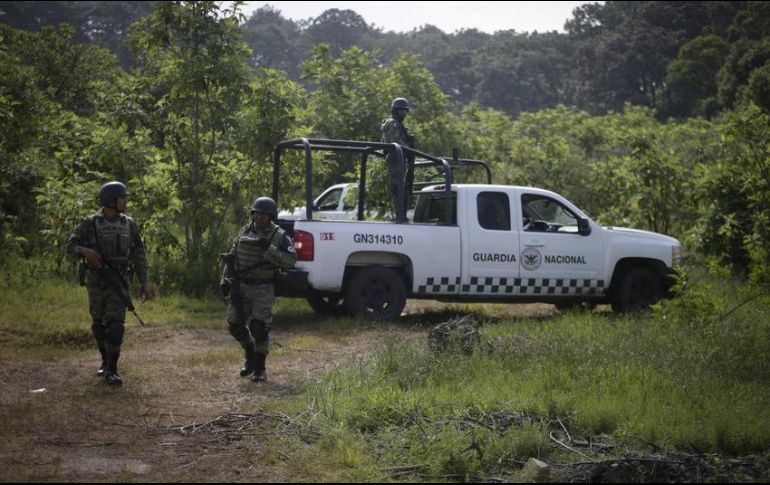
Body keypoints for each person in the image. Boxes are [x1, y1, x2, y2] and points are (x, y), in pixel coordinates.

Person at [66, 181, 150, 387]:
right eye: (123, 198)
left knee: (116, 326)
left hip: (119, 281)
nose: (126, 201)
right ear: (111, 201)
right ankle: (104, 360)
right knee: (98, 324)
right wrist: (85, 251)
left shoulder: (129, 224)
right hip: (96, 281)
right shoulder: (91, 223)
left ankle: (112, 369)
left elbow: (139, 253)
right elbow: (71, 245)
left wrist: (144, 280)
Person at [221, 196, 296, 382]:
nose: (260, 217)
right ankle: (250, 357)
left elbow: (291, 261)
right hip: (242, 286)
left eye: (264, 215)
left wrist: (269, 250)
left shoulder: (279, 235)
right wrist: (225, 279)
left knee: (259, 327)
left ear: (270, 216)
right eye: (257, 214)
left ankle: (261, 368)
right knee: (235, 325)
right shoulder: (245, 231)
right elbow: (232, 256)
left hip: (264, 287)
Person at [381, 97, 415, 213]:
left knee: (403, 188)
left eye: (405, 111)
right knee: (397, 188)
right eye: (402, 110)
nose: (404, 113)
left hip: (399, 158)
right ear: (395, 111)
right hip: (394, 158)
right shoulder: (393, 123)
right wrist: (409, 149)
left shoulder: (399, 124)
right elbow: (394, 141)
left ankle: (400, 213)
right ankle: (398, 214)